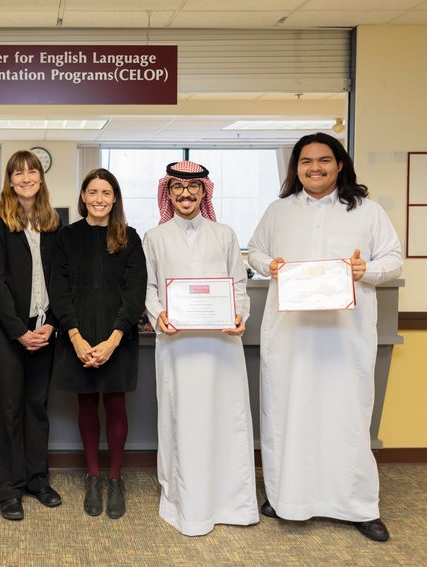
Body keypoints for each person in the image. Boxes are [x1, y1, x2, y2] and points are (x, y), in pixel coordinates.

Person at [247, 133, 403, 542]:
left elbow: (392, 259)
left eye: (323, 160)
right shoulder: (279, 211)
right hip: (292, 337)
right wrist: (272, 266)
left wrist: (363, 270)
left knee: (347, 417)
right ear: (295, 168)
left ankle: (358, 506)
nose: (314, 167)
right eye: (305, 161)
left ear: (339, 164)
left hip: (344, 337)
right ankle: (285, 498)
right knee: (287, 413)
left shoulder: (366, 212)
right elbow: (256, 254)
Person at [143, 161, 258, 536]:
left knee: (225, 417)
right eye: (176, 188)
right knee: (182, 418)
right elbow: (149, 289)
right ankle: (185, 502)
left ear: (204, 192)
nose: (185, 195)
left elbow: (238, 286)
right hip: (177, 345)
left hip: (221, 345)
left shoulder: (225, 234)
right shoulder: (154, 237)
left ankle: (231, 503)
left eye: (193, 189)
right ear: (168, 193)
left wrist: (240, 314)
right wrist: (159, 314)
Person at [49, 168, 147, 520]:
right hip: (78, 338)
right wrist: (75, 337)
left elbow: (135, 294)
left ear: (115, 198)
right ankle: (93, 476)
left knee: (116, 406)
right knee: (87, 406)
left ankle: (116, 478)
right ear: (83, 197)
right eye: (93, 192)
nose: (99, 199)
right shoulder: (66, 237)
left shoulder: (130, 238)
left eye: (106, 192)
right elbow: (58, 291)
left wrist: (113, 340)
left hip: (117, 338)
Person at [0, 150, 62, 521]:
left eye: (32, 171)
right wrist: (18, 331)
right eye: (19, 173)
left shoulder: (52, 222)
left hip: (44, 328)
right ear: (10, 180)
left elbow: (62, 280)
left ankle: (36, 479)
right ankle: (9, 489)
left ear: (41, 177)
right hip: (5, 331)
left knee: (36, 408)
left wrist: (52, 324)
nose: (26, 177)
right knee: (8, 410)